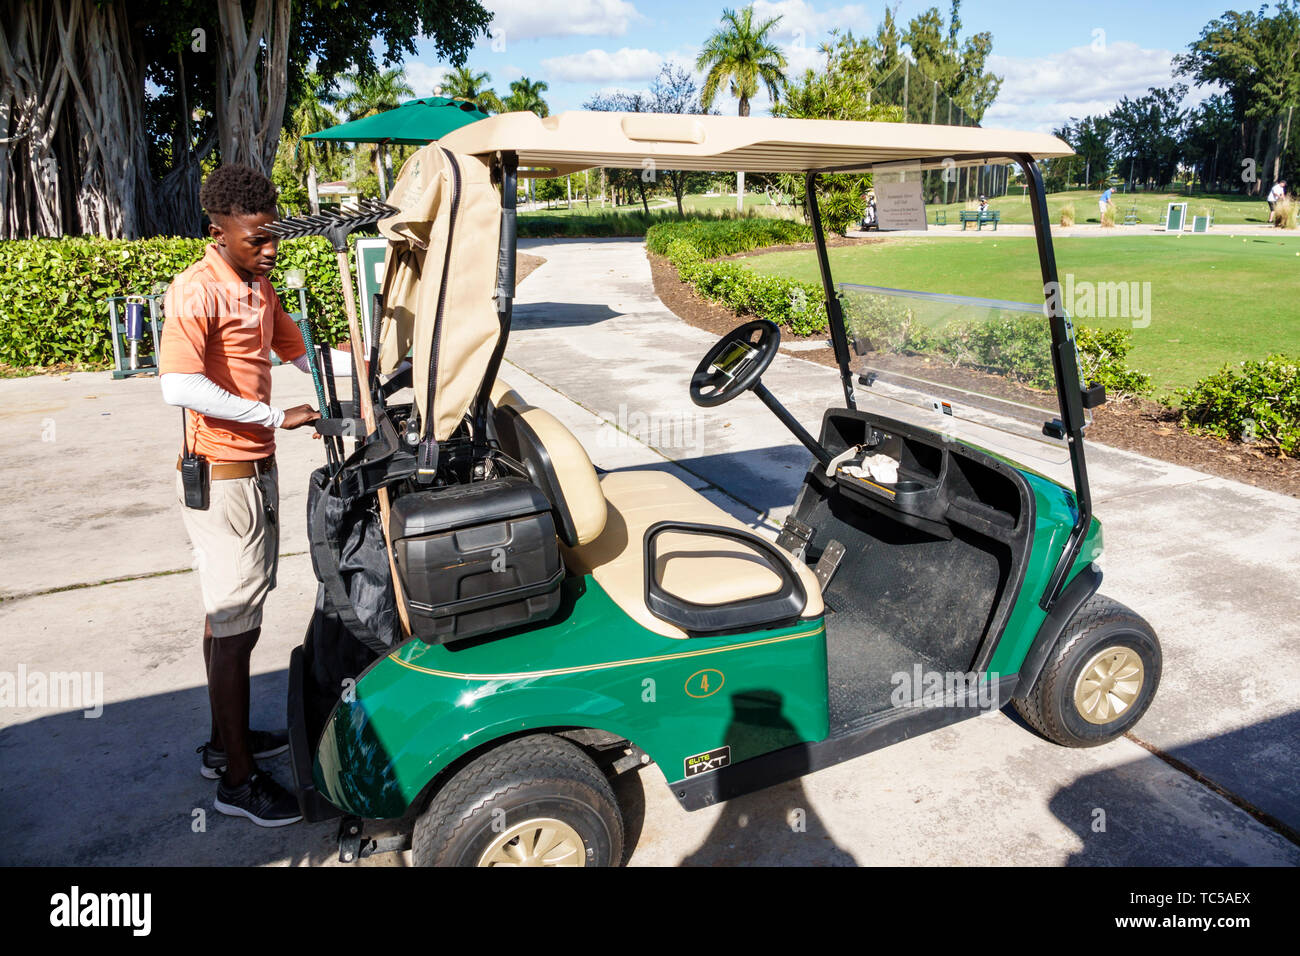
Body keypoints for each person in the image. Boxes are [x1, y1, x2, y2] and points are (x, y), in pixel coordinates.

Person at [160, 164, 344, 827]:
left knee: (234, 609)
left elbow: (301, 355)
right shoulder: (197, 290)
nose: (268, 252)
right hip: (220, 471)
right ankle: (237, 781)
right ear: (219, 232)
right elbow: (179, 387)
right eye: (254, 242)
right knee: (235, 619)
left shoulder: (257, 287)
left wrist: (374, 362)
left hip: (255, 466)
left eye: (273, 240)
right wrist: (275, 418)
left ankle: (222, 742)